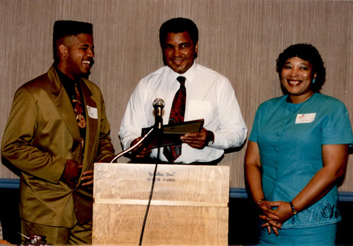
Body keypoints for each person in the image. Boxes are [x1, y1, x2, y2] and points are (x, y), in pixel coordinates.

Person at [1, 20, 115, 245]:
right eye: (84, 48)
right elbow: (11, 148)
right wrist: (61, 167)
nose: (91, 54)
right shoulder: (33, 93)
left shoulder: (93, 93)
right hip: (46, 211)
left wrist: (104, 164)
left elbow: (102, 138)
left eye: (91, 48)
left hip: (85, 210)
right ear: (63, 50)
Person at [245, 43, 353, 245]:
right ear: (280, 71)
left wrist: (292, 208)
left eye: (302, 67)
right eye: (288, 66)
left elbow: (335, 169)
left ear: (314, 74)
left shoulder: (332, 109)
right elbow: (252, 162)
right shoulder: (266, 109)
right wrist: (261, 204)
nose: (294, 73)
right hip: (270, 222)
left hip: (313, 227)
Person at [119, 17, 247, 164]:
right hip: (152, 170)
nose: (177, 54)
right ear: (162, 48)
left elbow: (238, 132)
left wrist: (211, 138)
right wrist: (134, 145)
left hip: (202, 173)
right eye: (169, 47)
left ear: (196, 47)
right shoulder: (146, 84)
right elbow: (128, 130)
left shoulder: (218, 84)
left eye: (183, 46)